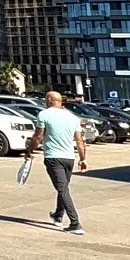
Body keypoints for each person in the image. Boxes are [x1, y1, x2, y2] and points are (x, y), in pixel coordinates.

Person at [27, 90, 88, 235]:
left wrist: (29, 150)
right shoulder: (72, 117)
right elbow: (79, 141)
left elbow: (38, 136)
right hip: (69, 158)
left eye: (45, 98)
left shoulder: (44, 114)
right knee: (63, 188)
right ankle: (58, 215)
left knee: (63, 190)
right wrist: (82, 158)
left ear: (49, 99)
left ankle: (75, 224)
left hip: (53, 157)